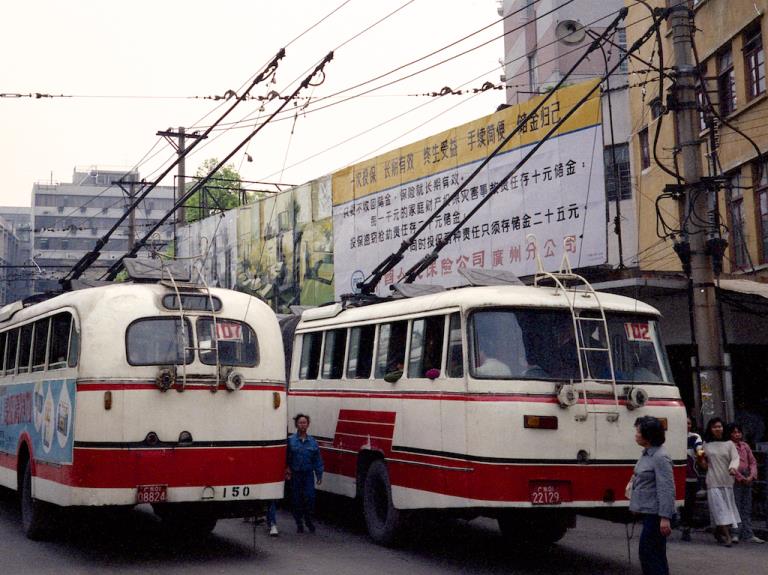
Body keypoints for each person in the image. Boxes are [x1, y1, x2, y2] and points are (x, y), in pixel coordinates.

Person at [628, 416, 675, 575]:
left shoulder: (660, 457)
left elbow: (666, 488)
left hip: (657, 514)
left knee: (649, 553)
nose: (636, 434)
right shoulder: (647, 454)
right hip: (648, 511)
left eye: (638, 431)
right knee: (654, 554)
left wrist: (665, 517)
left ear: (648, 436)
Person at [698, 417, 740, 546]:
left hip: (727, 480)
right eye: (715, 427)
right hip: (713, 480)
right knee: (719, 509)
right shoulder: (705, 445)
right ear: (710, 429)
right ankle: (727, 537)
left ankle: (718, 531)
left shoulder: (729, 444)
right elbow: (704, 465)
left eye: (719, 426)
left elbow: (735, 458)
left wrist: (733, 468)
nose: (718, 429)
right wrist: (701, 460)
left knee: (727, 508)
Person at [727, 422, 765, 544]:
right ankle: (735, 533)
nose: (737, 434)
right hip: (735, 478)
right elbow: (729, 464)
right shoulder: (728, 446)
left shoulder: (745, 446)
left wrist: (751, 475)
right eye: (734, 432)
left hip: (747, 477)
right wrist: (741, 477)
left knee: (746, 507)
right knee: (736, 506)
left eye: (739, 432)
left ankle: (748, 533)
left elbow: (752, 462)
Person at [286, 413, 323, 533]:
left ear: (308, 425)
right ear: (296, 424)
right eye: (300, 423)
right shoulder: (291, 441)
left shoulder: (312, 442)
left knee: (310, 498)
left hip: (308, 474)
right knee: (296, 500)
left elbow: (317, 459)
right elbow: (286, 457)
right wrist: (287, 469)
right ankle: (299, 523)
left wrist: (319, 474)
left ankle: (308, 519)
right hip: (296, 474)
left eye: (305, 423)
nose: (303, 425)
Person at [681, 416, 703, 542]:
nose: (687, 425)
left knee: (689, 504)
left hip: (691, 475)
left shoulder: (694, 437)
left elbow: (699, 449)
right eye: (685, 423)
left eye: (689, 423)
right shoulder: (673, 436)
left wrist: (701, 457)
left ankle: (686, 528)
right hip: (677, 476)